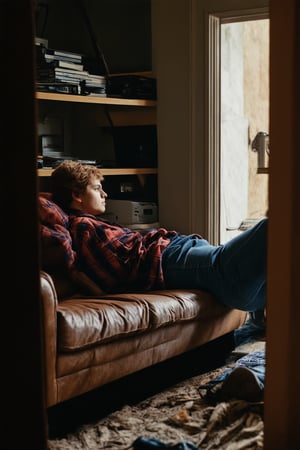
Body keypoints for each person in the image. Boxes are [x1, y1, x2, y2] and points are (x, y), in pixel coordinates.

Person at [50, 160, 267, 345]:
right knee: (263, 232)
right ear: (77, 195)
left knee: (257, 258)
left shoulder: (90, 224)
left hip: (174, 250)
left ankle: (257, 319)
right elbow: (118, 271)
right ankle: (251, 310)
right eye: (97, 188)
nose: (104, 194)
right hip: (164, 257)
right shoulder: (83, 227)